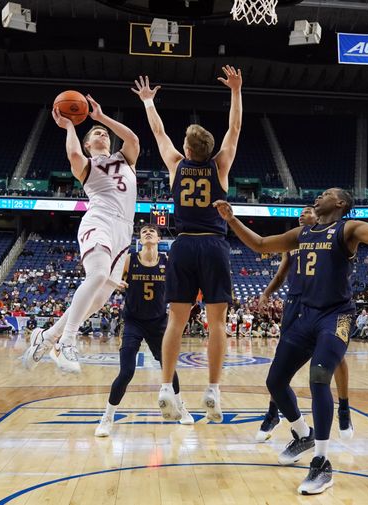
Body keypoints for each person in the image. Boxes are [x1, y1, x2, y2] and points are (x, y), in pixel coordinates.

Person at [214, 161, 368, 495]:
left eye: (326, 194)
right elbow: (261, 244)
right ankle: (303, 435)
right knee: (275, 381)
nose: (319, 197)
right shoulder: (302, 234)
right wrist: (232, 220)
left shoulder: (348, 229)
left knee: (319, 375)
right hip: (302, 316)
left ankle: (323, 461)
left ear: (340, 203)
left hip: (335, 315)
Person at [132, 65, 242, 422]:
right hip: (213, 245)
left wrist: (149, 101)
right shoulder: (220, 166)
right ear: (208, 150)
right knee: (217, 323)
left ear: (187, 147)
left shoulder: (176, 165)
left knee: (175, 322)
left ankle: (166, 387)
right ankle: (212, 391)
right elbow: (235, 129)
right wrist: (236, 91)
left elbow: (158, 131)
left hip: (181, 246)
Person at [22, 94, 140, 373]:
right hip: (99, 220)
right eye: (96, 133)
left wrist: (100, 117)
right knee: (97, 275)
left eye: (104, 133)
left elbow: (133, 139)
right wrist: (71, 126)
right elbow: (73, 154)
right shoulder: (87, 165)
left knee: (99, 299)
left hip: (124, 232)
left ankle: (47, 336)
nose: (102, 134)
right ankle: (67, 342)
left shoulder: (125, 159)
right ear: (89, 144)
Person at [253, 207, 353, 444]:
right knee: (281, 363)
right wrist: (266, 293)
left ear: (319, 217)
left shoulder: (331, 238)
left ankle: (344, 408)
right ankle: (273, 413)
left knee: (335, 357)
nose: (302, 214)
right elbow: (280, 275)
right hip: (295, 303)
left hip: (326, 304)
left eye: (307, 211)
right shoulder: (296, 240)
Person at [95, 225, 193, 437]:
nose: (147, 233)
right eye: (144, 232)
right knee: (127, 371)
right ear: (139, 239)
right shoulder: (130, 259)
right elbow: (108, 278)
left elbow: (183, 284)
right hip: (133, 321)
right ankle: (107, 417)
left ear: (159, 238)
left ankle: (181, 407)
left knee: (169, 368)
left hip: (158, 323)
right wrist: (115, 282)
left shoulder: (168, 262)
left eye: (152, 231)